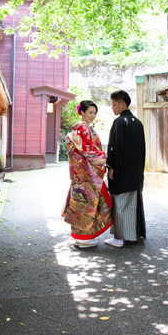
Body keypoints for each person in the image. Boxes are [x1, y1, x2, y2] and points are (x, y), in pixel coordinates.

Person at [62, 100, 112, 248]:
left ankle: (80, 237)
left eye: (95, 113)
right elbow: (88, 150)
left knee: (80, 203)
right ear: (82, 112)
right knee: (91, 204)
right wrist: (104, 157)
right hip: (88, 174)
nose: (93, 115)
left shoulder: (78, 130)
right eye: (90, 112)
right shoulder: (84, 129)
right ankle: (84, 238)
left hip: (80, 174)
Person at [105, 90, 146, 248]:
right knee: (132, 202)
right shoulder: (137, 122)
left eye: (114, 104)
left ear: (123, 104)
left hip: (122, 170)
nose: (112, 108)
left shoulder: (119, 122)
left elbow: (115, 148)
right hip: (135, 172)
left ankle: (119, 238)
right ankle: (133, 235)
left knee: (121, 203)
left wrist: (112, 167)